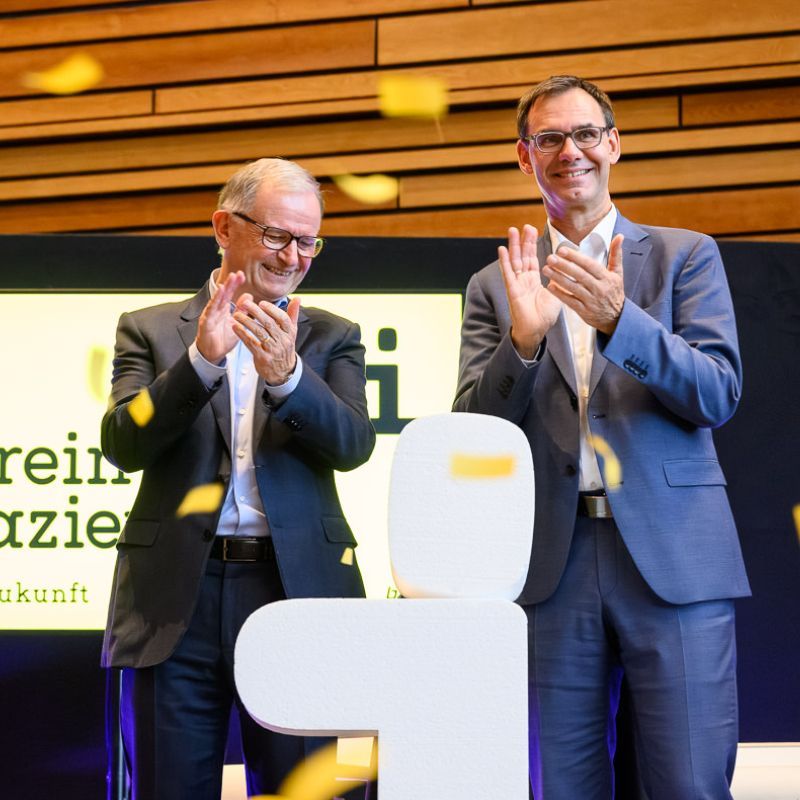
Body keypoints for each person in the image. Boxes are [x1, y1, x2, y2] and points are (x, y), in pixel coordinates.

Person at [454, 75, 750, 799]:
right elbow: (472, 435)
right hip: (549, 565)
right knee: (558, 784)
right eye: (549, 138)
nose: (570, 152)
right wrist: (522, 344)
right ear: (525, 157)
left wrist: (624, 322)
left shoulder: (685, 256)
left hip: (674, 556)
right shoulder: (497, 284)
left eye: (585, 134)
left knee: (688, 782)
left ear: (613, 144)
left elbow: (717, 393)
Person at [100, 157, 375, 799]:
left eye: (309, 241)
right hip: (174, 602)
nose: (294, 256)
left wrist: (288, 378)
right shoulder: (149, 330)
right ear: (224, 226)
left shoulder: (334, 337)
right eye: (278, 235)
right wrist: (199, 362)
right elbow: (123, 442)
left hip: (294, 591)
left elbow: (353, 445)